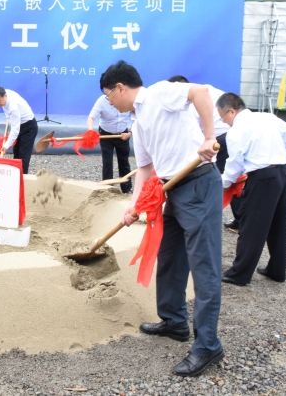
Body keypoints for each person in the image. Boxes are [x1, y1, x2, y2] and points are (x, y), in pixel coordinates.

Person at [101, 60, 223, 377]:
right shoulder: (138, 121)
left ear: (120, 88)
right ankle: (174, 320)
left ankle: (208, 345)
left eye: (108, 95)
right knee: (170, 256)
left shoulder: (159, 93)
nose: (108, 102)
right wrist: (133, 206)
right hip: (173, 189)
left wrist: (208, 137)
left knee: (204, 265)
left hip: (198, 182)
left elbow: (200, 92)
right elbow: (144, 168)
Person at [218, 93, 286, 286]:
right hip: (283, 172)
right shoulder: (267, 117)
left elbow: (234, 163)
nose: (224, 122)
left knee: (251, 226)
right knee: (278, 223)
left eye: (223, 117)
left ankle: (239, 274)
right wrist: (280, 159)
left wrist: (223, 184)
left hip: (263, 177)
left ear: (231, 111)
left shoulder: (237, 130)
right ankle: (277, 270)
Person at [168, 75, 241, 229]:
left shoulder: (190, 101)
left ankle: (228, 219)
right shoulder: (209, 89)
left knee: (217, 179)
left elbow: (193, 130)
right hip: (231, 134)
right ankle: (239, 218)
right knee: (232, 176)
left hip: (217, 141)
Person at [86, 94, 133, 193]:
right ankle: (107, 189)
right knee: (107, 162)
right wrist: (90, 131)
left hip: (123, 134)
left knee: (124, 162)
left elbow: (137, 118)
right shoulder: (102, 100)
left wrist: (130, 133)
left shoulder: (128, 98)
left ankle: (127, 189)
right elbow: (91, 117)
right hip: (105, 134)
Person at [0, 87, 38, 175]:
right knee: (16, 153)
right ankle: (15, 175)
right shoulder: (4, 93)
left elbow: (15, 130)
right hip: (18, 123)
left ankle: (23, 177)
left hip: (28, 127)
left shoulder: (14, 107)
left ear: (5, 96)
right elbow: (13, 122)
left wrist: (6, 146)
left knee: (23, 155)